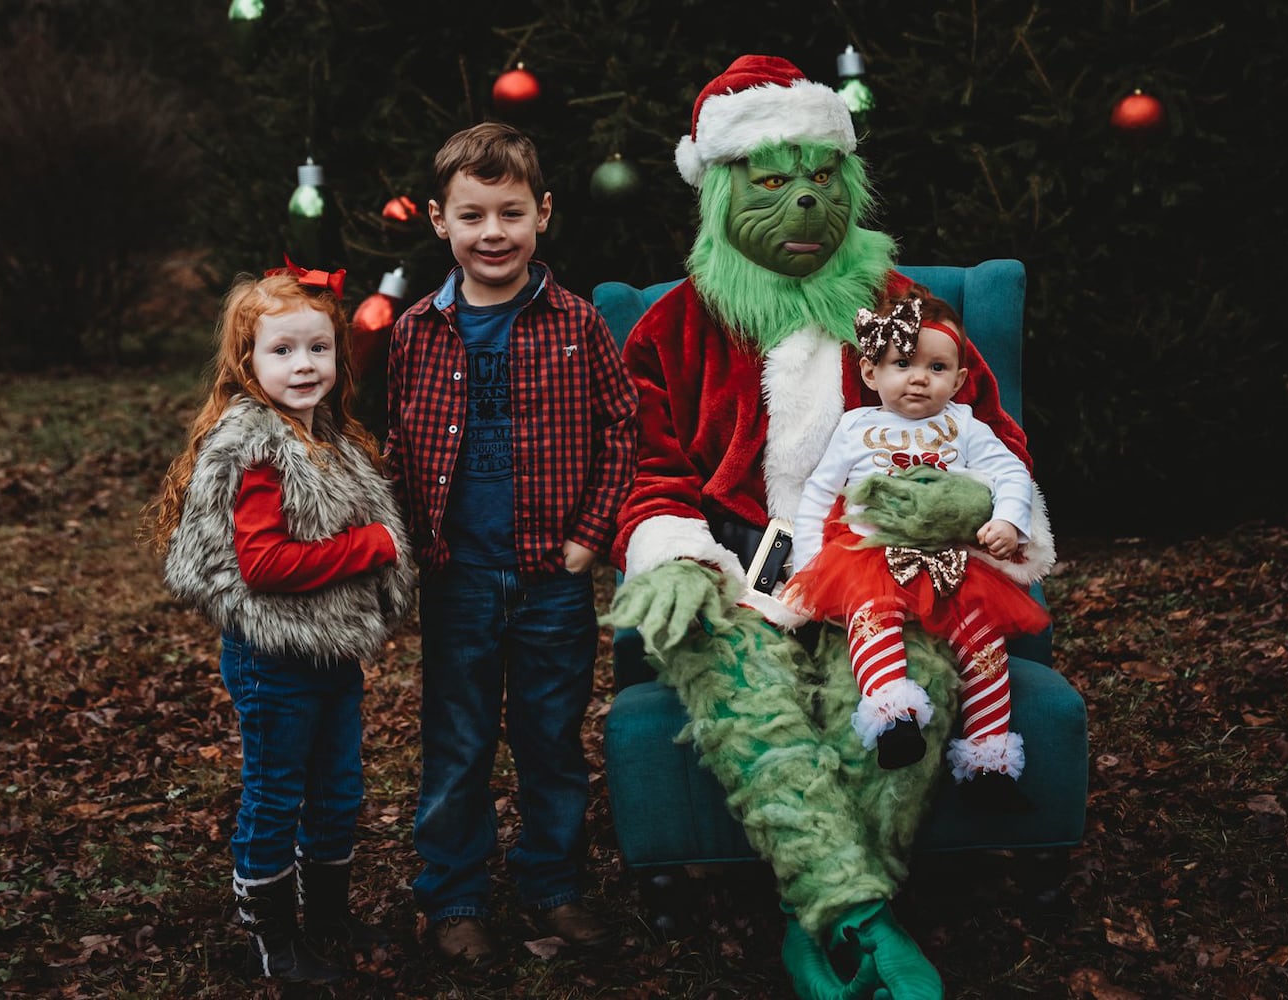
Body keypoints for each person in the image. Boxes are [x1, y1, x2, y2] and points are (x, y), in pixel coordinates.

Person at [603, 54, 1053, 1000]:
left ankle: (823, 928)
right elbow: (646, 474)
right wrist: (676, 552)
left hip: (882, 569)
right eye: (772, 181)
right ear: (724, 191)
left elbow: (988, 433)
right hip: (738, 577)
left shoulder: (901, 315)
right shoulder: (672, 331)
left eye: (820, 179)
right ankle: (860, 925)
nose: (802, 202)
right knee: (741, 689)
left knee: (905, 696)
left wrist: (964, 508)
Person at [384, 121, 638, 971]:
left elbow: (622, 431)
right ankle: (454, 895)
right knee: (457, 738)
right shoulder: (418, 330)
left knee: (549, 736)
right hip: (458, 575)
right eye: (473, 215)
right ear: (438, 221)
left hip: (549, 579)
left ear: (544, 215)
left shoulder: (577, 324)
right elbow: (396, 443)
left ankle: (552, 883)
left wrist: (587, 539)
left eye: (511, 213)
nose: (493, 232)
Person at [146, 262, 415, 984]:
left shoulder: (323, 435)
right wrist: (372, 547)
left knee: (338, 787)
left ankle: (326, 915)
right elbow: (264, 564)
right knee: (276, 790)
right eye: (283, 351)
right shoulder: (260, 449)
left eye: (319, 349)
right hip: (272, 656)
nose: (304, 365)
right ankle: (272, 936)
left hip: (328, 650)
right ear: (247, 361)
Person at [783, 290, 1053, 798]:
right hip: (870, 557)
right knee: (871, 616)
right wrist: (808, 565)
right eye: (902, 363)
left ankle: (988, 758)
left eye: (936, 366)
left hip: (950, 561)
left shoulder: (964, 425)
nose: (919, 377)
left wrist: (1009, 522)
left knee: (983, 640)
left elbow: (1011, 473)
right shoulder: (855, 426)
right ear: (871, 373)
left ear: (957, 379)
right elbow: (818, 493)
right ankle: (894, 717)